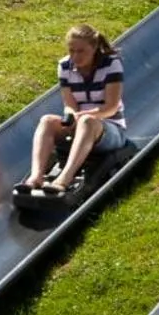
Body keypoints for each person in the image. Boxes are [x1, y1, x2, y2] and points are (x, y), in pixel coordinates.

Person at [23, 23, 126, 194]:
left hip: (111, 129)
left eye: (81, 51)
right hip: (80, 124)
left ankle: (64, 179)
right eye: (72, 51)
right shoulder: (65, 66)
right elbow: (70, 104)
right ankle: (36, 176)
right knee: (47, 120)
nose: (75, 56)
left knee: (87, 121)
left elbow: (111, 107)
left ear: (94, 48)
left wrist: (82, 116)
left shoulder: (111, 64)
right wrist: (70, 116)